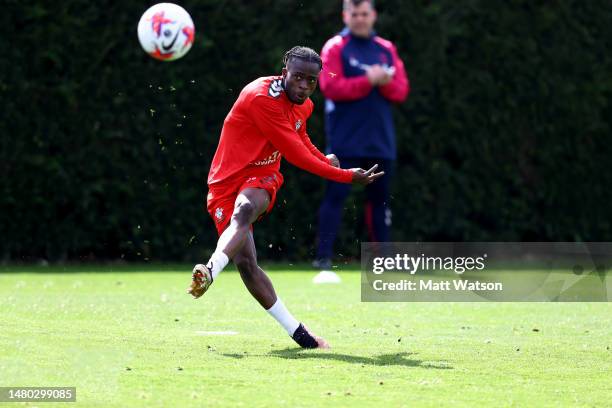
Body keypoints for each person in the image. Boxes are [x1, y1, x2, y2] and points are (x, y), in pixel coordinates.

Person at [187, 46, 384, 349]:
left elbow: (300, 137)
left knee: (245, 209)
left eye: (311, 81)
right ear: (284, 75)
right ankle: (300, 333)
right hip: (224, 183)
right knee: (247, 265)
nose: (304, 86)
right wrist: (346, 175)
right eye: (298, 78)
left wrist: (324, 158)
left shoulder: (304, 105)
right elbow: (296, 155)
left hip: (262, 176)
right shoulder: (261, 99)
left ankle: (210, 270)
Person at [313, 0, 409, 271]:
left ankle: (383, 261)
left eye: (364, 13)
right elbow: (330, 86)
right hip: (345, 140)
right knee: (335, 197)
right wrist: (369, 80)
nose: (359, 19)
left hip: (380, 141)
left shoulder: (386, 49)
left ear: (373, 15)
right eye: (354, 14)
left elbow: (401, 90)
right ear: (345, 15)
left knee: (380, 202)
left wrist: (383, 82)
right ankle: (323, 258)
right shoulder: (335, 47)